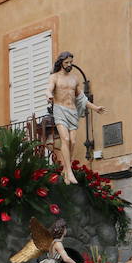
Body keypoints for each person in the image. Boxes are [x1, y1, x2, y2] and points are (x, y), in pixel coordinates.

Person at [48, 51, 105, 183]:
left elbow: (81, 99)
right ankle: (69, 171)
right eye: (67, 62)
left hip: (72, 112)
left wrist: (95, 108)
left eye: (71, 62)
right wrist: (48, 95)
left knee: (73, 142)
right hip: (60, 110)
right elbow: (49, 88)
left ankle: (66, 171)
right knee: (65, 139)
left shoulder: (74, 79)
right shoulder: (55, 77)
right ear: (61, 62)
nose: (69, 65)